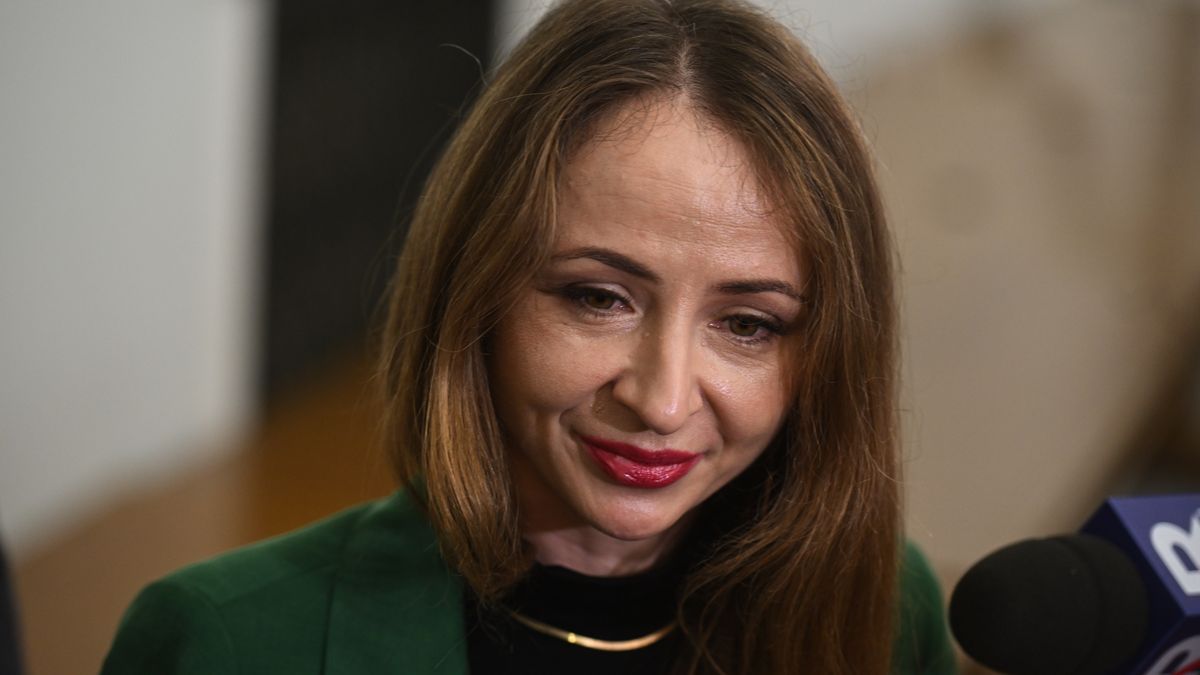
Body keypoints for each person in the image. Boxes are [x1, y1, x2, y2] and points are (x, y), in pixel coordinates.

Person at [102, 0, 957, 673]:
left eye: (746, 324)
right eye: (598, 298)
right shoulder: (225, 642)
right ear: (477, 291)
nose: (661, 401)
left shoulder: (885, 612)